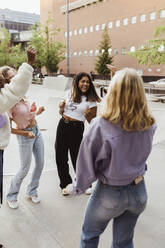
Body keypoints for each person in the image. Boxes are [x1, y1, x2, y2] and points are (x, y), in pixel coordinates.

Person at [74, 68, 157, 248]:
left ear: (113, 92)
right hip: (139, 191)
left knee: (89, 235)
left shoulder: (101, 126)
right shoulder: (150, 123)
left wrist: (78, 186)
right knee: (124, 242)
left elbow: (87, 162)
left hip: (110, 193)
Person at [0, 46, 36, 247]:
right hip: (22, 136)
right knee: (24, 168)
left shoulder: (11, 98)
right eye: (9, 76)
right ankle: (12, 195)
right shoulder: (8, 100)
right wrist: (28, 64)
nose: (12, 78)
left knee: (34, 166)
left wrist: (34, 113)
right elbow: (15, 89)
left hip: (29, 134)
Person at [55, 72, 101, 196]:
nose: (85, 84)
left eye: (87, 82)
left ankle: (84, 184)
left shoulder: (91, 100)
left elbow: (93, 121)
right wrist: (61, 108)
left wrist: (87, 115)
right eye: (83, 81)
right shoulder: (70, 93)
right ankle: (65, 184)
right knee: (60, 156)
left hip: (76, 127)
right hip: (63, 124)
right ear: (77, 82)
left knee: (77, 157)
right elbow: (62, 112)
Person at [5, 93, 45, 209]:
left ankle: (32, 191)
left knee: (40, 163)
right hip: (25, 136)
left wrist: (37, 113)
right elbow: (8, 128)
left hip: (36, 131)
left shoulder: (22, 97)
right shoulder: (9, 103)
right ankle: (11, 196)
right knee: (24, 168)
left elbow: (26, 117)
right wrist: (26, 133)